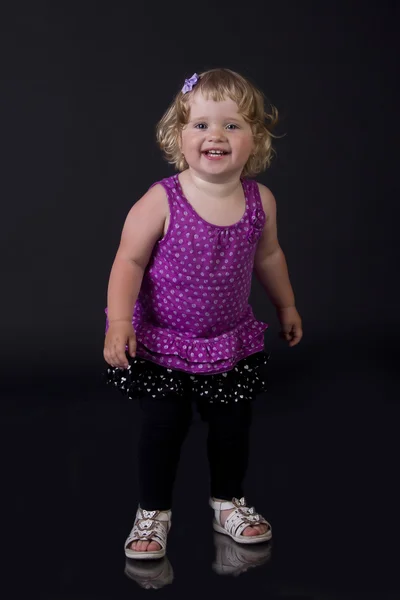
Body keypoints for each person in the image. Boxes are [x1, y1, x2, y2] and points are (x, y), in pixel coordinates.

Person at [103, 68, 303, 560]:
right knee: (163, 430)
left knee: (233, 427)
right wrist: (121, 322)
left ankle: (228, 501)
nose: (215, 135)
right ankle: (153, 511)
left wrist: (287, 304)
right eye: (201, 125)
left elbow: (269, 256)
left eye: (232, 125)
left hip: (228, 343)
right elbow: (128, 259)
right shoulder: (161, 199)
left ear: (255, 139)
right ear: (178, 137)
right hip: (163, 343)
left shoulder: (260, 202)